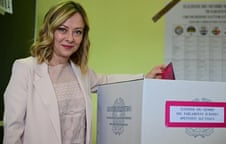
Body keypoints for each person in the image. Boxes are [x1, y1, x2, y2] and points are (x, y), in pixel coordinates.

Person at [3, 1, 166, 144]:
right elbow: (13, 128)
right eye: (63, 29)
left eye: (77, 32)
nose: (70, 38)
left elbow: (108, 81)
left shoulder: (80, 72)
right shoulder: (25, 69)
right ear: (49, 30)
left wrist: (145, 77)